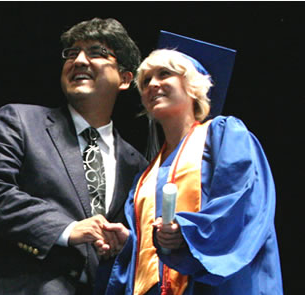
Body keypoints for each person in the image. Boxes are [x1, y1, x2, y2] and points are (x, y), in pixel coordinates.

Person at [0, 18, 148, 295]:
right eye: (72, 53)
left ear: (125, 78)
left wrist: (123, 246)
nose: (80, 60)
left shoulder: (137, 165)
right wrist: (67, 229)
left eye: (96, 52)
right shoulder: (20, 120)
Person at [95, 34, 283, 295]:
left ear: (193, 86)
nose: (152, 84)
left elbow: (242, 202)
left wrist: (187, 232)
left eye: (164, 74)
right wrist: (129, 243)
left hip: (212, 283)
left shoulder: (223, 134)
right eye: (146, 80)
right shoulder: (145, 176)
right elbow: (151, 253)